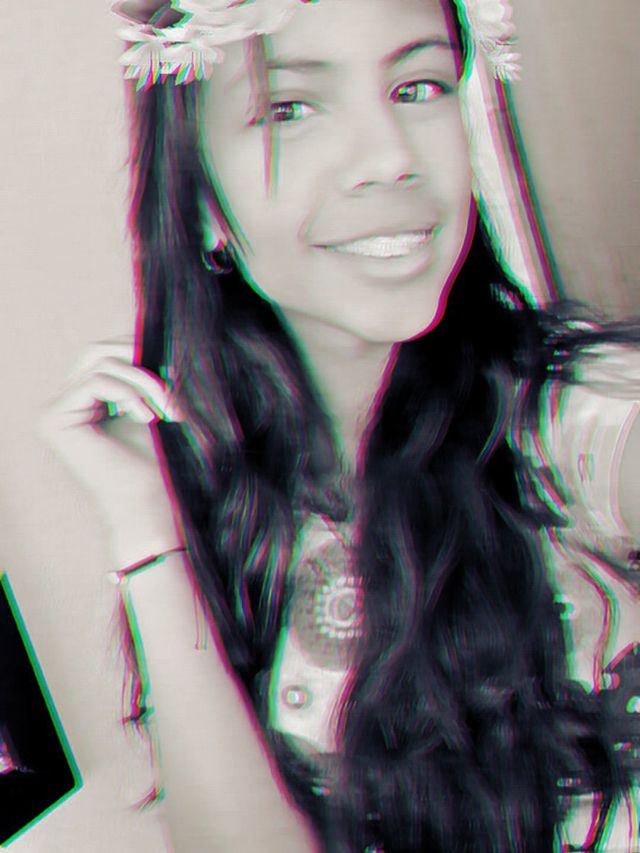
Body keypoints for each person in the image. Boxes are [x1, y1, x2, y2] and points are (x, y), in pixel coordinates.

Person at [45, 0, 640, 850]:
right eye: (291, 107)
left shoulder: (573, 418)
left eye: (418, 87)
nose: (391, 157)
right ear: (203, 198)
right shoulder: (229, 501)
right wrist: (150, 536)